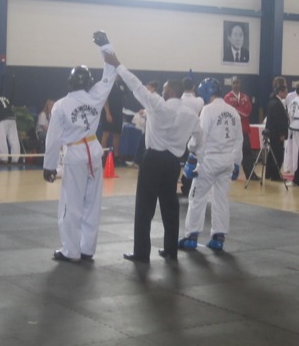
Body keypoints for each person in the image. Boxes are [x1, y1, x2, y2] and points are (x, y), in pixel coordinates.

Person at [102, 51, 202, 263]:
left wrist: (118, 64)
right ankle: (171, 250)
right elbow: (199, 139)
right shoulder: (190, 115)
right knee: (170, 206)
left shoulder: (157, 104)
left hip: (153, 160)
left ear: (169, 92)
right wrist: (191, 149)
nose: (161, 91)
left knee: (144, 207)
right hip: (173, 163)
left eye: (164, 89)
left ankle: (141, 253)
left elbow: (135, 85)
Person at [42, 31, 117, 262]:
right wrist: (105, 46)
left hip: (75, 155)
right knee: (92, 204)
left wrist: (49, 166)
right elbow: (111, 73)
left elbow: (53, 139)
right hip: (94, 151)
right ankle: (87, 249)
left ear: (70, 82)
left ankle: (71, 251)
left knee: (71, 204)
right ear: (88, 81)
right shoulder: (96, 96)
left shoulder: (61, 105)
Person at [178, 78, 241, 251]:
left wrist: (192, 156)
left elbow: (201, 136)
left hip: (209, 160)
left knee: (197, 197)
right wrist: (237, 162)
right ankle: (219, 237)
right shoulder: (233, 111)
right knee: (221, 198)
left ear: (207, 92)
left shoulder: (208, 110)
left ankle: (191, 236)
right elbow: (239, 140)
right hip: (227, 160)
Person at [224, 75, 256, 180]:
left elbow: (247, 112)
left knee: (247, 153)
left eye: (237, 82)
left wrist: (235, 109)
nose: (236, 85)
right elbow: (228, 112)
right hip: (232, 130)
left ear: (240, 83)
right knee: (230, 152)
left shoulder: (245, 97)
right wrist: (239, 109)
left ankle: (250, 174)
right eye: (234, 83)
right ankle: (229, 173)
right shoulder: (227, 97)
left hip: (243, 129)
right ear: (231, 84)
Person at [264, 83, 289, 181]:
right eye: (285, 92)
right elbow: (278, 121)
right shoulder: (277, 103)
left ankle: (269, 173)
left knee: (272, 153)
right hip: (277, 133)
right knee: (278, 154)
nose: (286, 94)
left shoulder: (272, 101)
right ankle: (275, 175)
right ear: (280, 92)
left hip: (273, 132)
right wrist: (281, 133)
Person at [100, 75, 127, 165]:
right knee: (106, 134)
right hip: (108, 112)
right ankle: (102, 155)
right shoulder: (108, 83)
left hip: (118, 113)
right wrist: (107, 112)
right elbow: (104, 99)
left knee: (117, 134)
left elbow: (124, 96)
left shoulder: (122, 84)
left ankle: (116, 156)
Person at [283, 79, 299, 175]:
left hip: (292, 124)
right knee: (293, 147)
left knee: (293, 147)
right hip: (298, 124)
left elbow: (288, 111)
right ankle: (290, 167)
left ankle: (294, 167)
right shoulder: (291, 96)